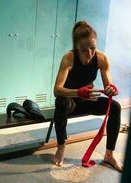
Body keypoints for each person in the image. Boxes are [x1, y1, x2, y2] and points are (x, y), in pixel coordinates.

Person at [52, 20, 123, 172]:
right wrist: (78, 92)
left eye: (93, 48)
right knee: (61, 103)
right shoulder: (69, 58)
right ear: (76, 48)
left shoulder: (102, 58)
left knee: (115, 107)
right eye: (84, 50)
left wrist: (112, 89)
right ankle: (60, 148)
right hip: (70, 102)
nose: (89, 54)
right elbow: (57, 90)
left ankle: (109, 154)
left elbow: (108, 86)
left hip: (87, 101)